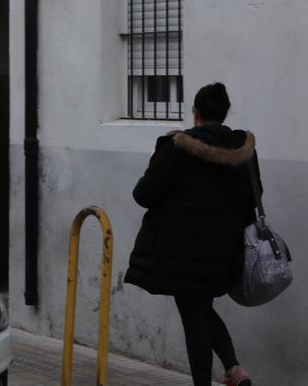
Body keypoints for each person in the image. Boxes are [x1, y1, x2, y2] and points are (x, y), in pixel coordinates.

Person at [124, 82, 258, 386]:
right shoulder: (245, 151)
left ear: (195, 114)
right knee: (201, 308)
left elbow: (144, 195)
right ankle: (235, 370)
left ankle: (219, 376)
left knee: (194, 318)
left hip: (181, 252)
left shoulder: (176, 148)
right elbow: (254, 196)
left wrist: (154, 161)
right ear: (224, 114)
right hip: (225, 251)